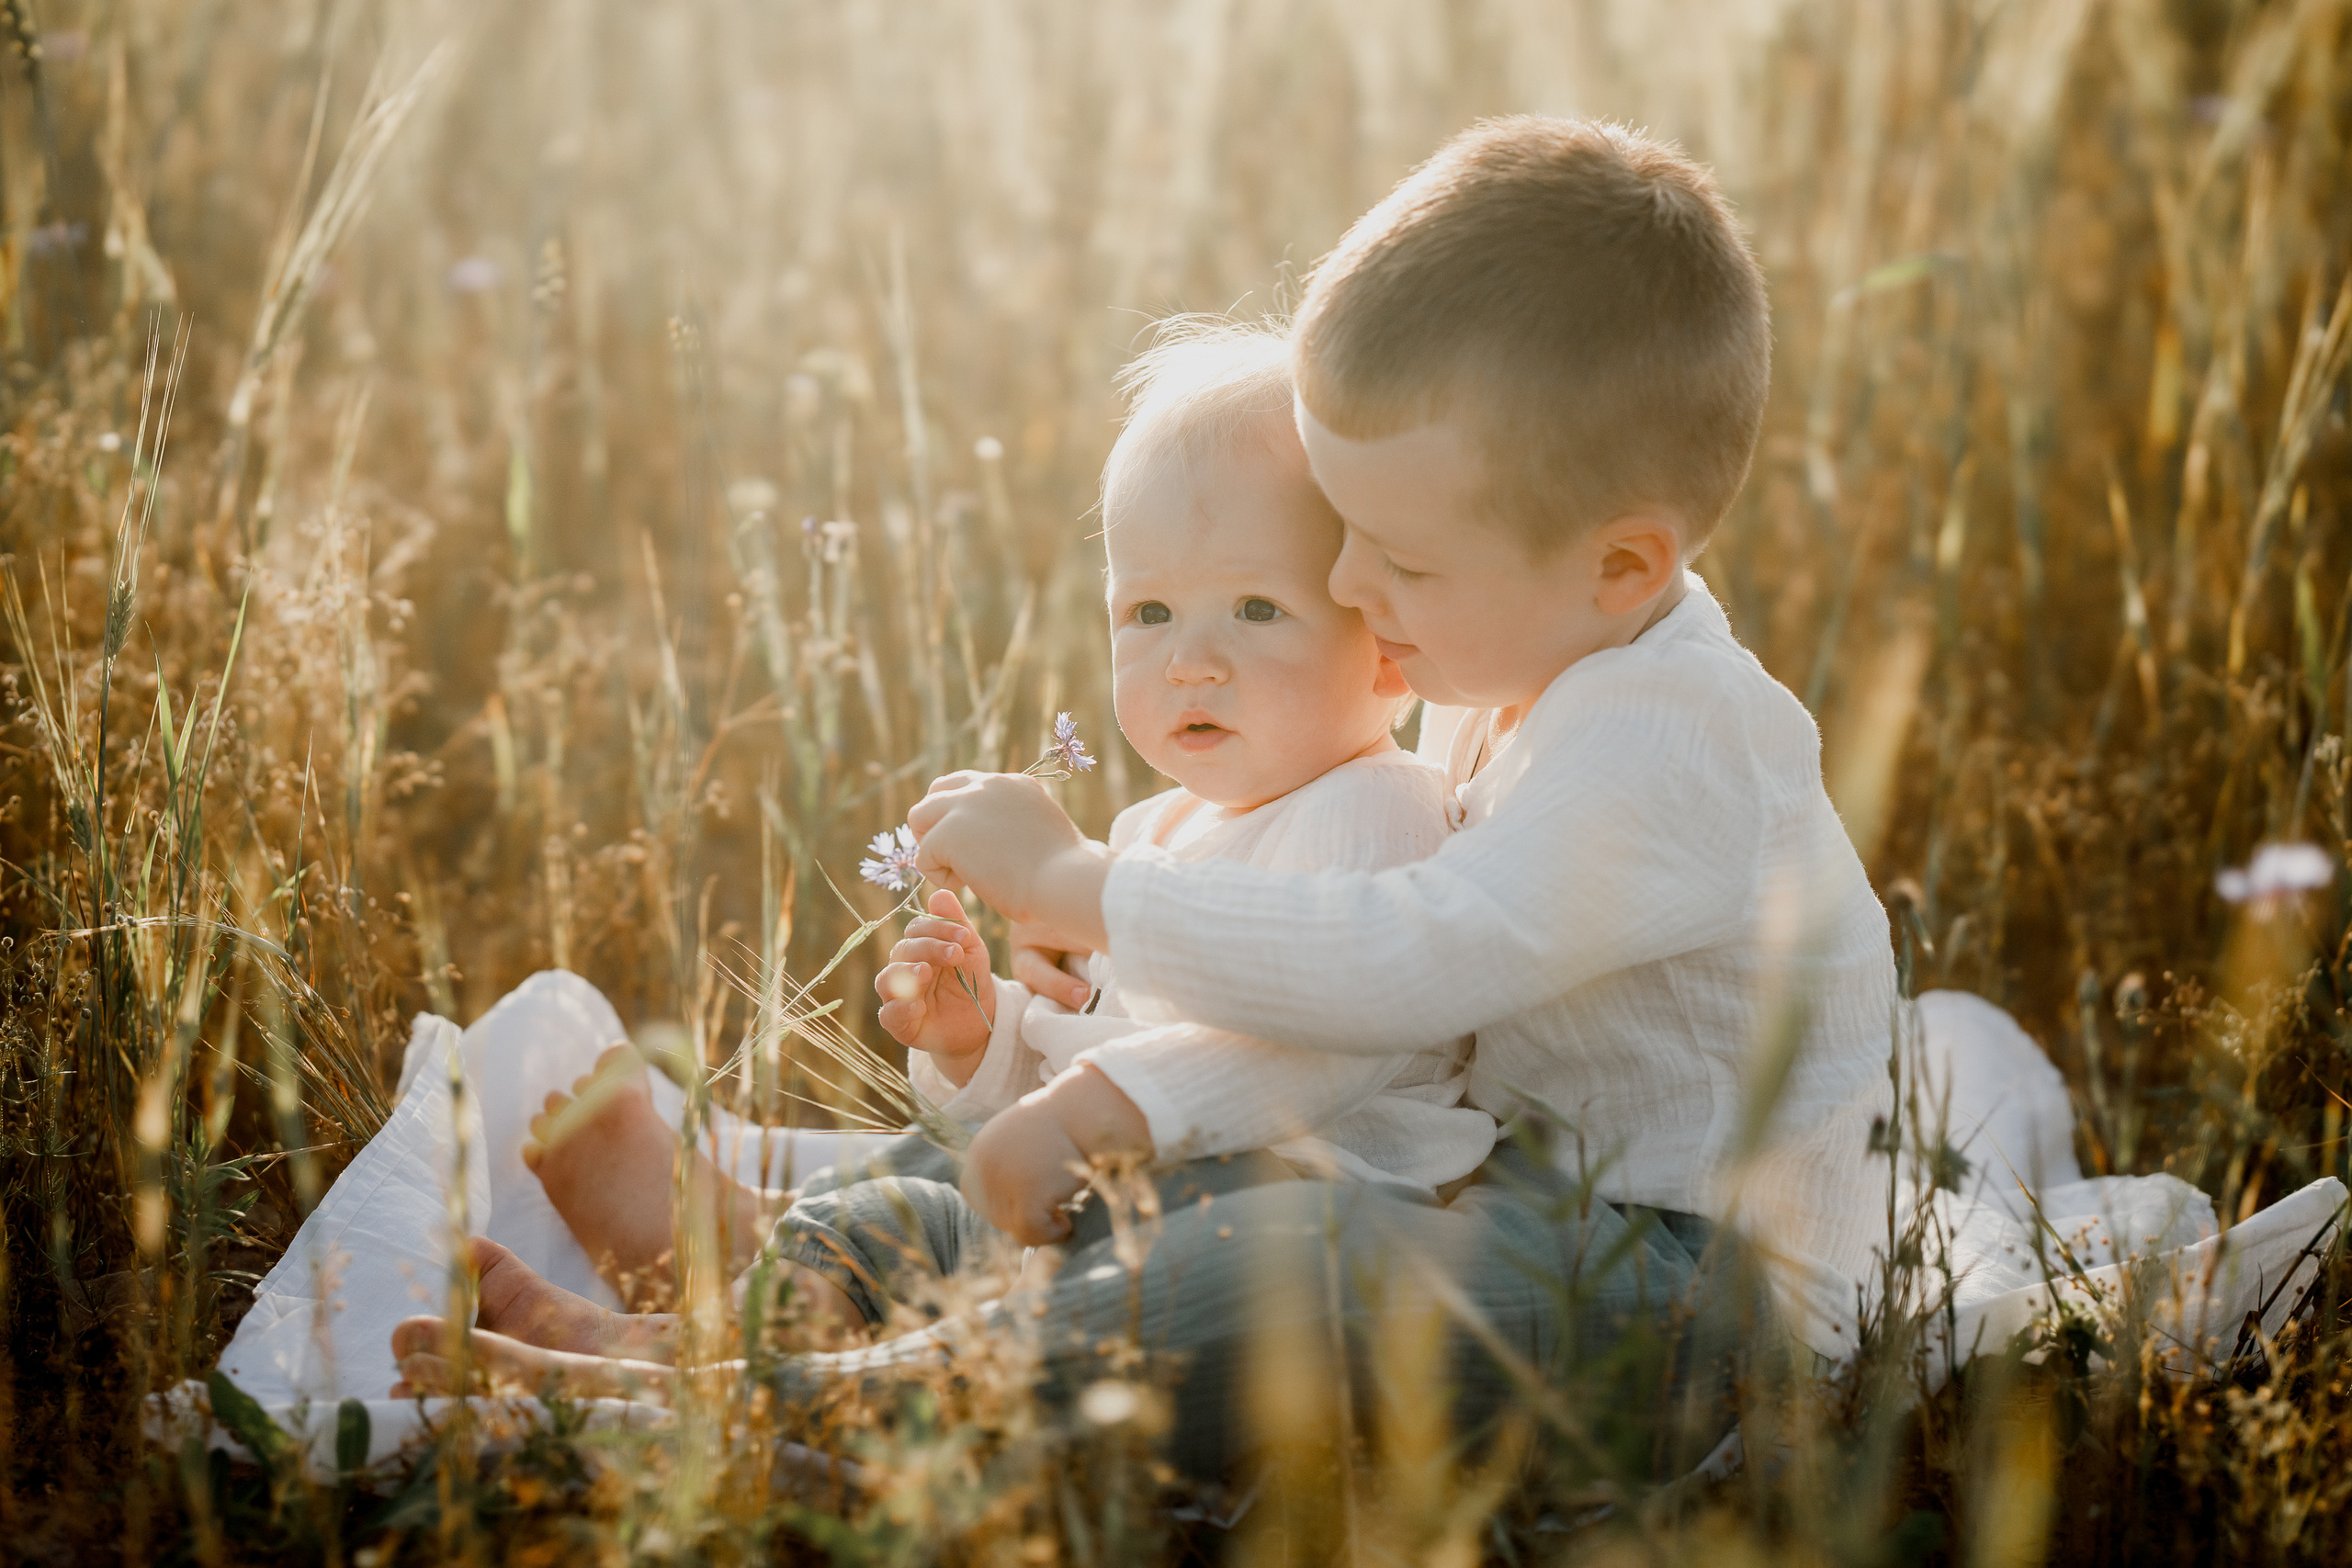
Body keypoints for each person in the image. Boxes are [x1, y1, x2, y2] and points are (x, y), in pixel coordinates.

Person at [398, 115, 1861, 1483]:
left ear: (1623, 563)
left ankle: (789, 1401)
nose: (1352, 590)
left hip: (1708, 1297)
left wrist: (1091, 887)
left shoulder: (1681, 738)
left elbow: (1418, 953)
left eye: (1400, 562)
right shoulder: (1545, 633)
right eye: (1345, 542)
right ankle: (743, 1320)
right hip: (1518, 1201)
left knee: (1302, 1264)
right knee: (1133, 1184)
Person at [493, 325, 1494, 1337]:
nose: (1190, 661)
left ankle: (711, 1317)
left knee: (931, 1216)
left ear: (1386, 651)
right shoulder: (1160, 828)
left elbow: (1312, 1041)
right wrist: (990, 1040)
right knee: (936, 1185)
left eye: (1254, 607)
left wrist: (1074, 1118)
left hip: (1266, 1234)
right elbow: (1091, 1057)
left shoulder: (1382, 812)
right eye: (1147, 612)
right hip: (1130, 1184)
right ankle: (750, 1278)